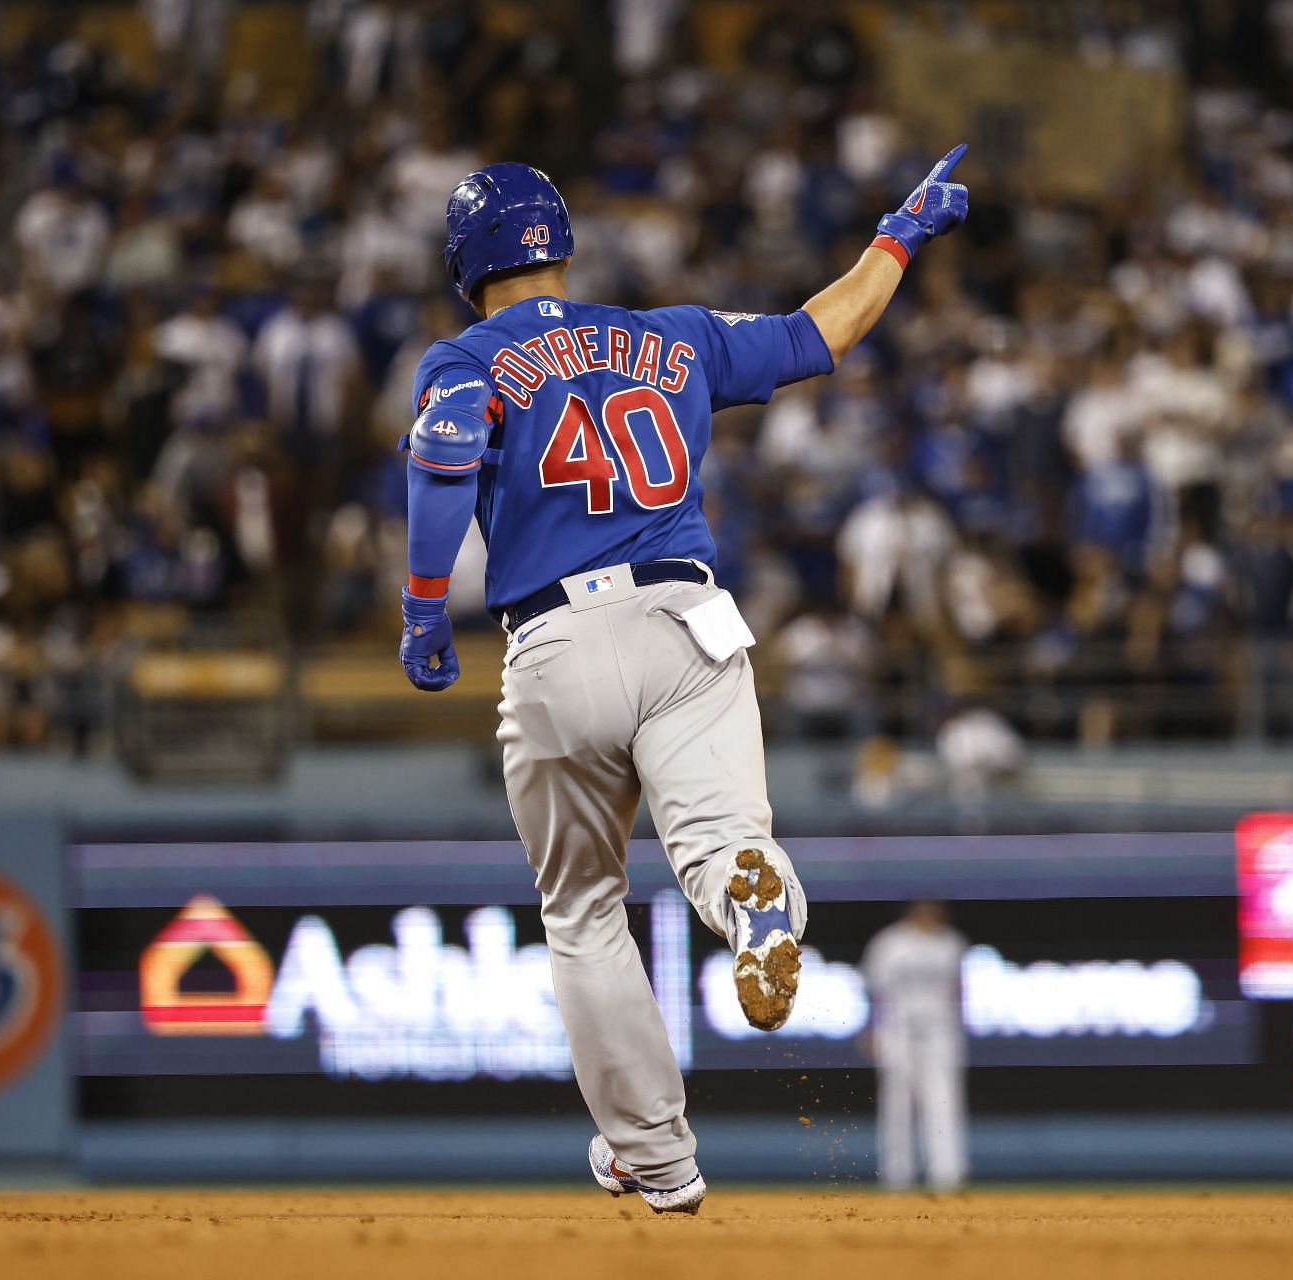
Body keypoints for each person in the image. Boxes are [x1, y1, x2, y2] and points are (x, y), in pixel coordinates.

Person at [398, 149, 970, 1213]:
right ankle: (750, 894)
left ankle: (656, 1155)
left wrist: (426, 604)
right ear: (560, 242)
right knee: (721, 843)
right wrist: (899, 234)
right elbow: (823, 330)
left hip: (559, 636)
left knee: (583, 907)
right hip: (691, 615)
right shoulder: (672, 335)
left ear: (466, 259)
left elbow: (439, 461)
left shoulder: (465, 355)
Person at [862, 900, 970, 1191]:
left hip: (939, 1031)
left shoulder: (951, 943)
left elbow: (959, 992)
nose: (930, 918)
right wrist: (872, 1029)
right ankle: (897, 1174)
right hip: (898, 1029)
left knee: (943, 1101)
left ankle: (947, 1174)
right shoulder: (889, 943)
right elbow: (874, 991)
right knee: (896, 1103)